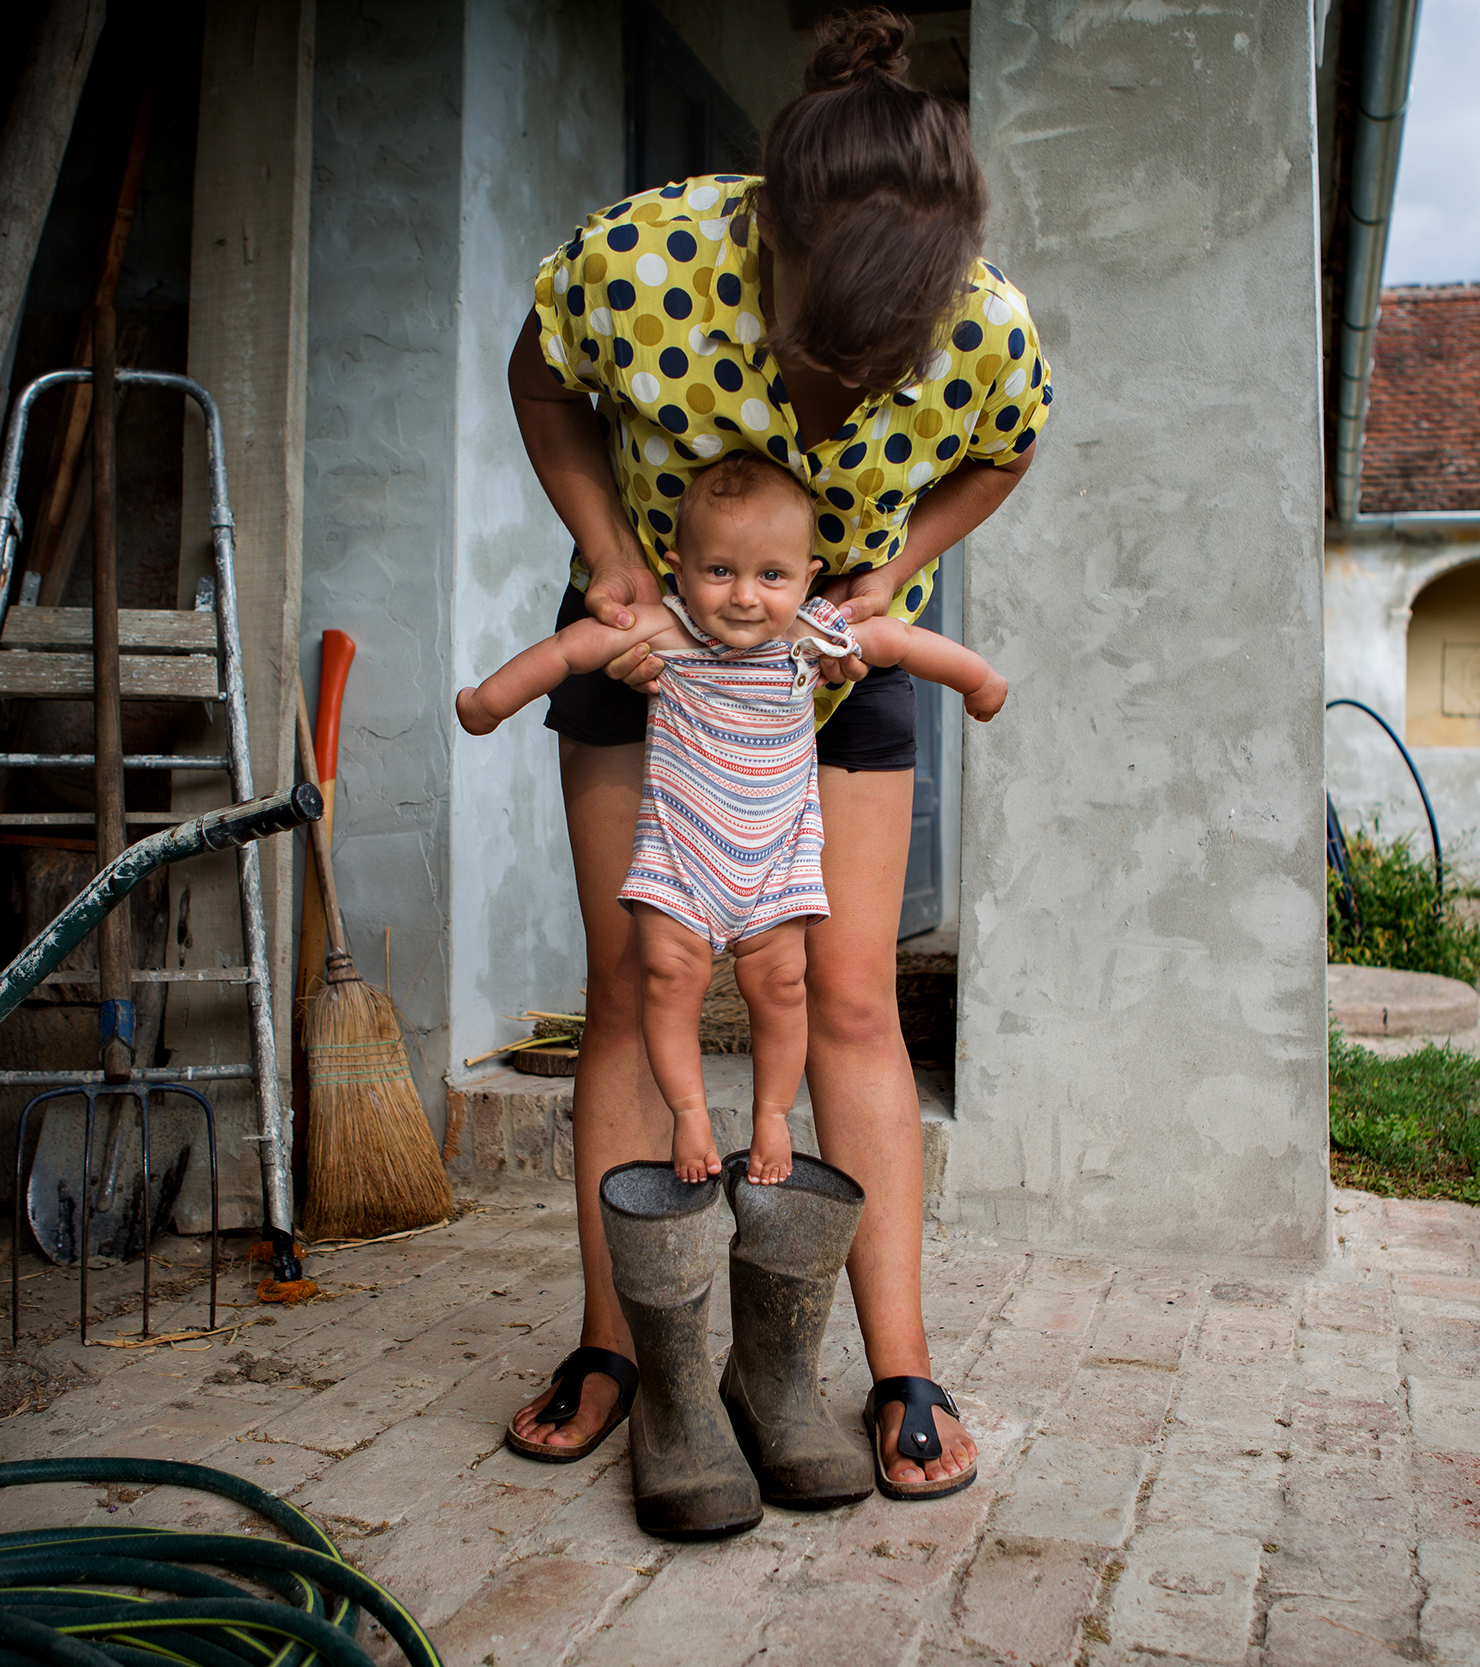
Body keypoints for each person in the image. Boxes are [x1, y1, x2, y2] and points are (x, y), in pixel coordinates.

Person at [500, 6, 1052, 1499]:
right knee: (637, 978)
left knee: (853, 994)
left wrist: (899, 566)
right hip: (653, 645)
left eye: (878, 369)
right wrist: (606, 548)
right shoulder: (640, 258)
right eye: (819, 350)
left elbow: (1010, 443)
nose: (835, 398)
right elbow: (541, 379)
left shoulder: (988, 325)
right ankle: (625, 1348)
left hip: (842, 653)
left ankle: (900, 1365)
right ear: (766, 242)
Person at [457, 456, 1006, 1190]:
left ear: (808, 575)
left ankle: (774, 1114)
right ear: (679, 571)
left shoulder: (812, 639)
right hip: (680, 862)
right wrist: (490, 701)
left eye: (771, 577)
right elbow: (571, 650)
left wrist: (979, 679)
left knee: (783, 985)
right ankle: (689, 1111)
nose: (745, 597)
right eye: (720, 571)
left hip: (775, 863)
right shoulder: (669, 631)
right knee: (664, 978)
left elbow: (902, 643)